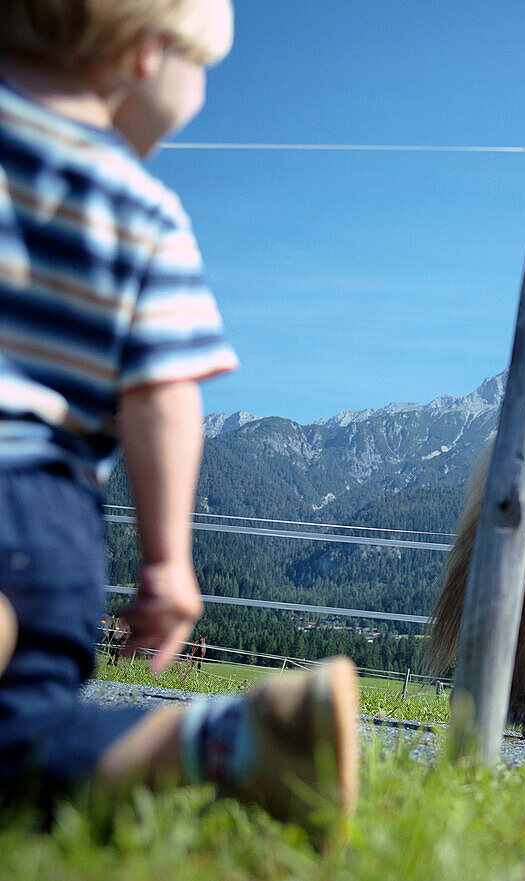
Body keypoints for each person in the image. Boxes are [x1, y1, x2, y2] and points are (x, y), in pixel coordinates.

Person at [0, 0, 359, 840]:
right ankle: (232, 739)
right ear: (143, 55)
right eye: (201, 70)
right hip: (40, 509)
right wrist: (165, 560)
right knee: (23, 744)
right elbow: (162, 395)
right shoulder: (143, 210)